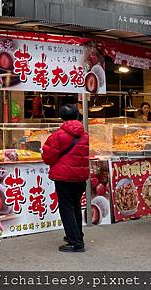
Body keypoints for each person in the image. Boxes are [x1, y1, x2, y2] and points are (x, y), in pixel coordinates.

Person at [42, 104, 89, 253]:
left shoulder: (57, 135)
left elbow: (48, 157)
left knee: (67, 208)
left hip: (64, 177)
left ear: (62, 117)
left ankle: (75, 242)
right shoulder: (85, 134)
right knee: (75, 206)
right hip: (80, 177)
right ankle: (77, 236)